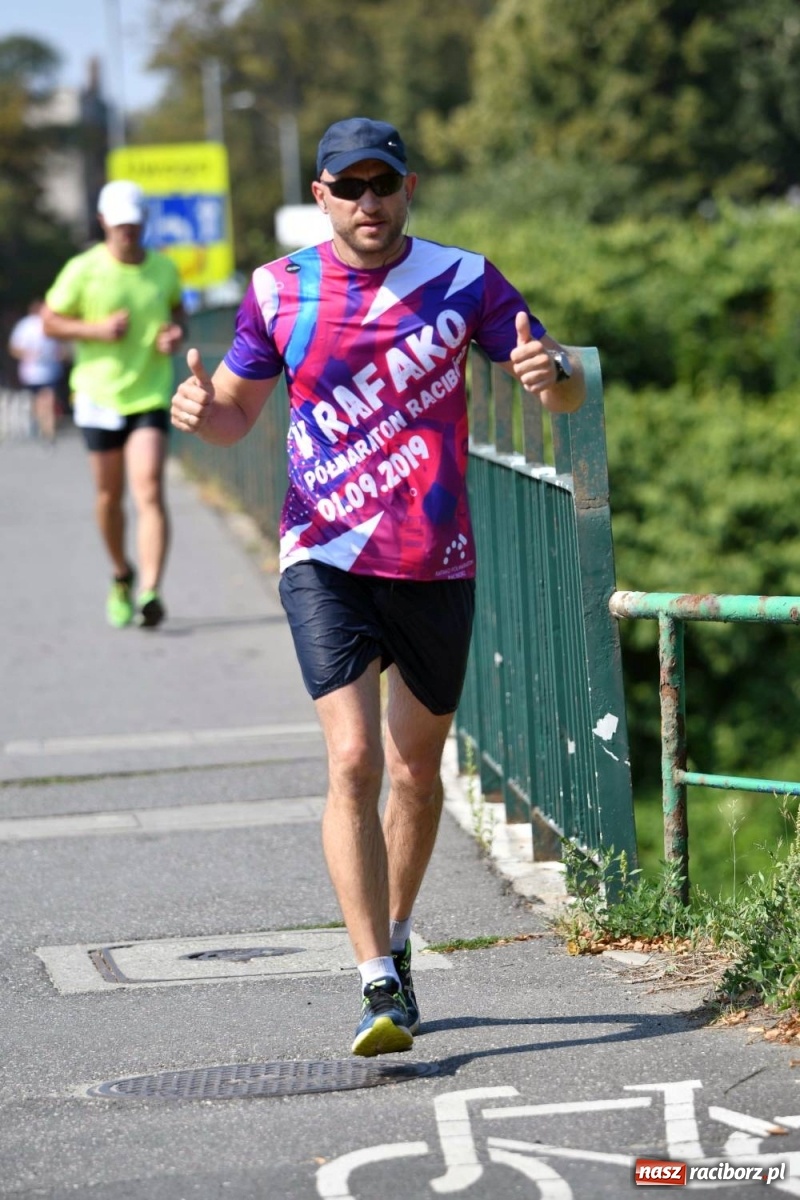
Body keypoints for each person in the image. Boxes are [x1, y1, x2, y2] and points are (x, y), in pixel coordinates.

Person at [172, 117, 586, 1056]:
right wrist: (200, 414)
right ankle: (372, 983)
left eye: (384, 184)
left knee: (414, 771)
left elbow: (556, 381)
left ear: (408, 188)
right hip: (322, 552)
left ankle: (396, 946)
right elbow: (237, 416)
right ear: (320, 195)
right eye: (349, 186)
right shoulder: (278, 291)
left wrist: (548, 374)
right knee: (355, 761)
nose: (369, 202)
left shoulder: (465, 279)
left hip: (436, 559)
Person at [42, 180, 185, 629]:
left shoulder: (163, 268)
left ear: (143, 223)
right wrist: (95, 330)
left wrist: (174, 334)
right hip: (97, 396)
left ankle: (150, 591)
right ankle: (122, 574)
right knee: (109, 496)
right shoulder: (83, 269)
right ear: (104, 222)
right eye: (119, 224)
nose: (127, 232)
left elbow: (178, 311)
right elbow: (50, 321)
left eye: (134, 224)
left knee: (148, 488)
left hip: (148, 393)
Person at [8, 299, 65, 443]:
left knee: (48, 398)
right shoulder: (25, 326)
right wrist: (30, 354)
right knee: (39, 401)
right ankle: (42, 426)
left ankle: (49, 429)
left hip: (51, 370)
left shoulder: (52, 323)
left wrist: (58, 355)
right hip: (32, 372)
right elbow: (14, 348)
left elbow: (61, 346)